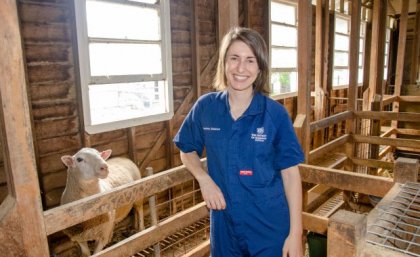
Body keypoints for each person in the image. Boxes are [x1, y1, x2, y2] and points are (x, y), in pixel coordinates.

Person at [173, 26, 304, 257]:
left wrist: (295, 233)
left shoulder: (275, 114)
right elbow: (186, 149)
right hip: (224, 225)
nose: (241, 68)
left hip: (269, 225)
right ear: (224, 63)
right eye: (234, 58)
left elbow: (291, 175)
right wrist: (204, 180)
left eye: (250, 60)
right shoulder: (206, 107)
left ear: (260, 66)